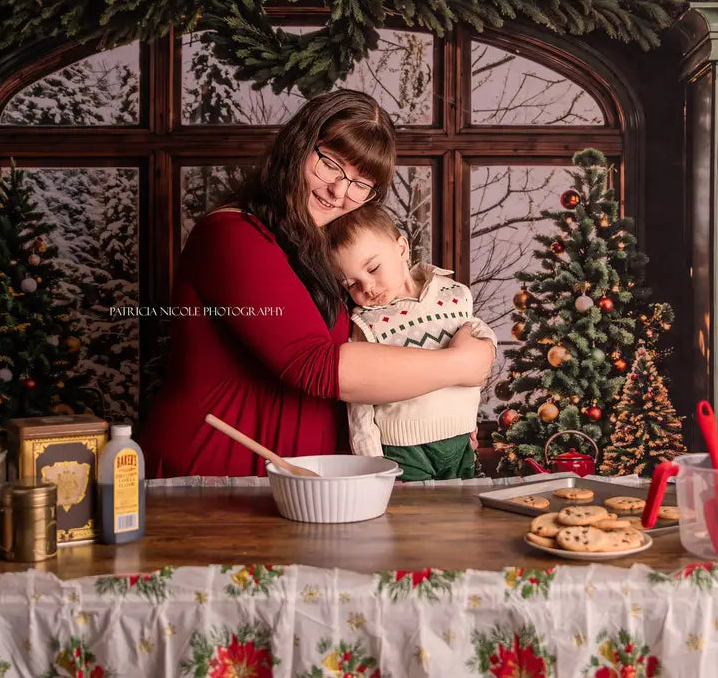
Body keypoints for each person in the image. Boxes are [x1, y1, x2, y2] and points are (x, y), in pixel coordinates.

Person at [139, 90, 495, 476]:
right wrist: (460, 365)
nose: (340, 192)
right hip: (216, 476)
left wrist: (435, 424)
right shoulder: (231, 235)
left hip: (304, 485)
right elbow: (314, 366)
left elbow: (377, 357)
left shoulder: (323, 254)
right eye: (330, 164)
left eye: (362, 184)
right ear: (298, 145)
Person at [327, 205, 495, 481]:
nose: (367, 287)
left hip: (460, 441)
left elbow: (475, 347)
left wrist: (468, 419)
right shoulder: (365, 325)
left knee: (467, 515)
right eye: (351, 284)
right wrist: (372, 466)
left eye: (373, 268)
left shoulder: (455, 294)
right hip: (403, 452)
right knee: (408, 520)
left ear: (402, 248)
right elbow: (359, 405)